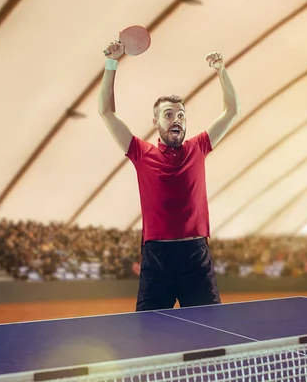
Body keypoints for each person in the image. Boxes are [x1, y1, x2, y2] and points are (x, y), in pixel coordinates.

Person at [98, 39, 240, 311]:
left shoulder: (199, 147)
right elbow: (106, 111)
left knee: (208, 332)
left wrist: (222, 70)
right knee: (149, 333)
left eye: (181, 115)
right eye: (168, 114)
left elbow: (231, 111)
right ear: (156, 122)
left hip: (195, 257)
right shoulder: (140, 151)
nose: (176, 119)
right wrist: (111, 64)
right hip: (157, 259)